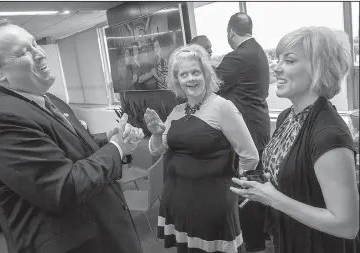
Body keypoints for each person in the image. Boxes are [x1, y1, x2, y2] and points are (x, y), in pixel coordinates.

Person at [0, 19, 145, 253]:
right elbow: (64, 188)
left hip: (105, 230)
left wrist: (110, 141)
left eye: (34, 44)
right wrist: (116, 148)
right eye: (23, 52)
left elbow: (71, 152)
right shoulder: (1, 120)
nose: (39, 54)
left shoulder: (51, 101)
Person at [230, 26, 359, 253]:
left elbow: (346, 225)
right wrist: (263, 185)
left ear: (319, 68)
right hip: (289, 237)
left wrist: (273, 198)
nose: (277, 68)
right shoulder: (287, 117)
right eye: (278, 60)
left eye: (289, 61)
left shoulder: (328, 134)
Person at [144, 44, 259, 253]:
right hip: (178, 199)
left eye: (195, 72)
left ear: (205, 73)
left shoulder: (222, 107)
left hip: (212, 204)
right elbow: (158, 151)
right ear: (177, 80)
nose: (191, 79)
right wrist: (156, 133)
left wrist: (233, 191)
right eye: (184, 74)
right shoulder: (177, 111)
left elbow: (250, 157)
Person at [215, 12, 271, 252]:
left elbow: (211, 87)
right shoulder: (259, 52)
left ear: (230, 33)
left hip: (246, 132)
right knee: (257, 182)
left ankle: (254, 243)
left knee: (245, 187)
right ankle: (263, 234)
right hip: (259, 126)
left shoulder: (236, 57)